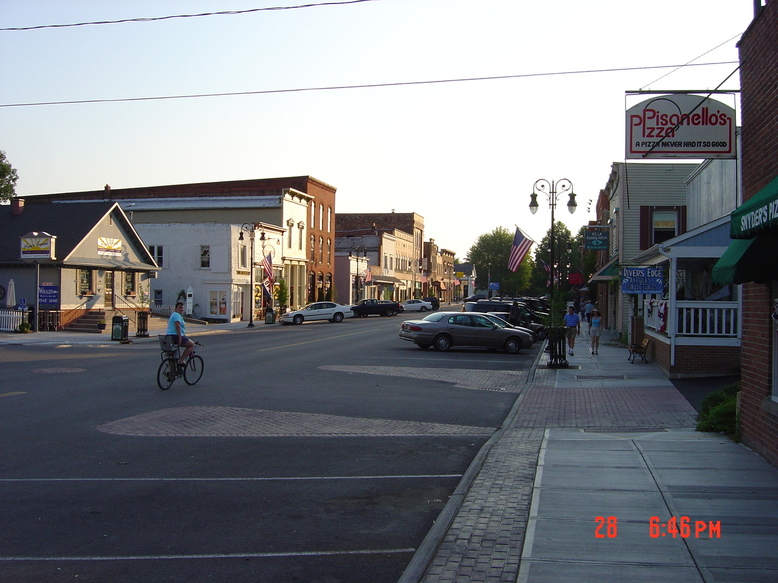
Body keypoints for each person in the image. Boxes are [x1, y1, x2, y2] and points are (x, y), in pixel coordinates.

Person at [167, 302, 195, 367]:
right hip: (175, 336)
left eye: (182, 307)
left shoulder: (173, 314)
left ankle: (172, 374)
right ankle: (181, 360)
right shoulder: (177, 315)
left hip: (169, 337)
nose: (181, 309)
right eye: (180, 307)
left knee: (172, 356)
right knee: (191, 345)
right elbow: (177, 327)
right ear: (176, 308)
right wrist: (180, 338)